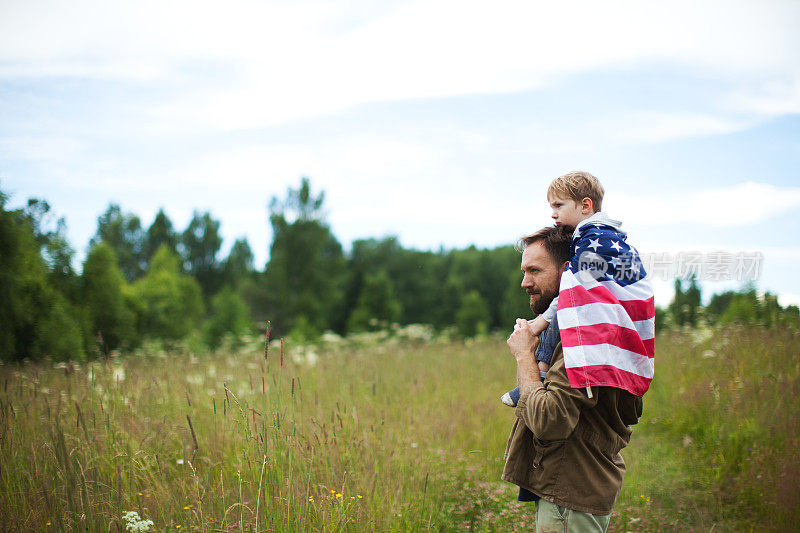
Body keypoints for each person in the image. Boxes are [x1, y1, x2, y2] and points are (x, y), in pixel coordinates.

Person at [501, 224, 645, 532]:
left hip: (569, 494)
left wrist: (525, 355)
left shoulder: (582, 339)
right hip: (577, 487)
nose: (525, 282)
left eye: (535, 271)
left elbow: (549, 421)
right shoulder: (599, 326)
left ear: (568, 270)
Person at [501, 170, 655, 406]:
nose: (553, 214)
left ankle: (539, 373)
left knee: (564, 308)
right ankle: (540, 373)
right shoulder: (603, 237)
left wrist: (535, 335)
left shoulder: (592, 239)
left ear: (585, 206)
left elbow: (572, 290)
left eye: (559, 205)